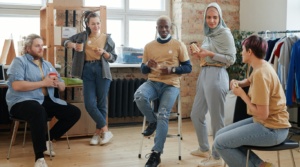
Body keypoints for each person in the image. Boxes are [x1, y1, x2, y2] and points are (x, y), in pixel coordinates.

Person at [213, 35, 291, 167]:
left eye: (243, 49)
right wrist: (239, 83)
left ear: (250, 52)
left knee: (220, 143)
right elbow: (249, 80)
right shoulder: (261, 65)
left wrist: (242, 95)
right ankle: (261, 165)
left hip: (273, 129)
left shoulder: (261, 73)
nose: (241, 52)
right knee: (220, 134)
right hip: (268, 123)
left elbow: (262, 114)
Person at [6, 34, 81, 167]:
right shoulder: (19, 61)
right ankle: (39, 158)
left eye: (42, 45)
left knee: (74, 112)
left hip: (45, 100)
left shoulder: (47, 65)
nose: (41, 48)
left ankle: (48, 140)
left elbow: (62, 87)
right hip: (21, 101)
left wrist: (58, 83)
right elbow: (16, 85)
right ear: (28, 48)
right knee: (38, 111)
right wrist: (43, 83)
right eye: (37, 46)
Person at [134, 15, 192, 167]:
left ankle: (156, 154)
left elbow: (188, 67)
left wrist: (172, 69)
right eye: (161, 27)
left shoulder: (179, 45)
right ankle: (153, 122)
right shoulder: (149, 46)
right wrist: (147, 65)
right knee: (139, 96)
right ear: (157, 28)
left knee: (163, 114)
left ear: (170, 28)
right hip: (153, 82)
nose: (164, 29)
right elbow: (143, 69)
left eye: (166, 27)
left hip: (171, 85)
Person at [189, 2, 236, 166]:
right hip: (205, 73)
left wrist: (210, 53)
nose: (211, 20)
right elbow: (208, 56)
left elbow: (231, 59)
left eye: (215, 17)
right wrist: (200, 53)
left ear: (220, 17)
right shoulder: (209, 34)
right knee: (196, 114)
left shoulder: (225, 33)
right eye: (208, 17)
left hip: (217, 75)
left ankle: (217, 157)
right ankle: (204, 148)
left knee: (217, 119)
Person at [64, 11, 117, 145]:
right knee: (89, 104)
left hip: (102, 71)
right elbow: (65, 41)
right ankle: (106, 130)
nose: (96, 26)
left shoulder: (107, 38)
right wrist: (73, 45)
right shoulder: (82, 36)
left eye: (98, 23)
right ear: (88, 24)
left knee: (101, 104)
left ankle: (97, 134)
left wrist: (104, 52)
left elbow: (113, 58)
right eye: (93, 24)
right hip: (87, 70)